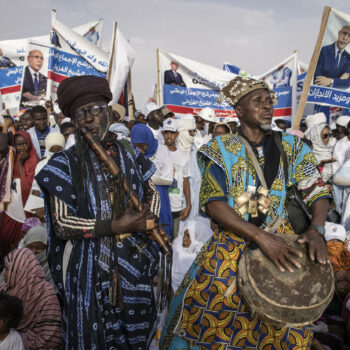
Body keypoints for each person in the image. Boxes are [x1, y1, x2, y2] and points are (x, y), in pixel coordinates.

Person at [161, 76, 332, 349]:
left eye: (269, 101)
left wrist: (317, 229)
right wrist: (262, 239)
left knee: (290, 322)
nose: (267, 107)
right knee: (208, 306)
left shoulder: (291, 146)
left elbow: (317, 190)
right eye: (257, 101)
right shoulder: (219, 149)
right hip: (234, 240)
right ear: (238, 111)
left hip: (283, 239)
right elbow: (214, 204)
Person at [35, 75, 161, 349]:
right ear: (74, 121)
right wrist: (113, 226)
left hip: (135, 269)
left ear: (108, 112)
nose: (89, 118)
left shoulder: (128, 153)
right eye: (81, 113)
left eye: (95, 110)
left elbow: (152, 191)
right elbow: (62, 224)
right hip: (90, 273)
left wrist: (149, 217)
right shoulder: (63, 164)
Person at [0, 248, 61, 349]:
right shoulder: (4, 289)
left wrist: (15, 339)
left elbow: (51, 338)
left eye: (7, 269)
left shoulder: (45, 295)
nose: (4, 274)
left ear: (19, 269)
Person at [0, 130, 39, 258]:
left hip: (26, 209)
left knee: (20, 244)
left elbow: (27, 185)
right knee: (5, 237)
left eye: (24, 144)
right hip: (12, 208)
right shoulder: (12, 156)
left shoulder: (34, 160)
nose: (22, 148)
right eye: (18, 145)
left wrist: (21, 164)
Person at [131, 122, 174, 238]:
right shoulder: (130, 153)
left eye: (142, 146)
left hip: (159, 195)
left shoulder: (163, 151)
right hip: (139, 198)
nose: (139, 150)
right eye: (136, 146)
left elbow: (169, 179)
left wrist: (145, 178)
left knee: (160, 231)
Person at [162, 118, 191, 239]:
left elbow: (185, 181)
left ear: (177, 134)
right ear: (163, 133)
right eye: (167, 132)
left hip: (176, 206)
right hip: (161, 207)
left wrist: (188, 204)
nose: (169, 136)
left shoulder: (183, 156)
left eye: (172, 133)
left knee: (174, 241)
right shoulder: (157, 153)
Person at [172, 216, 212, 293]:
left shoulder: (202, 260)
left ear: (197, 239)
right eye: (184, 235)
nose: (184, 239)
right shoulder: (176, 249)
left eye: (188, 236)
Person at [22, 226, 57, 291]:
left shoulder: (52, 268)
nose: (33, 251)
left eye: (38, 248)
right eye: (30, 246)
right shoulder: (17, 261)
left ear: (47, 249)